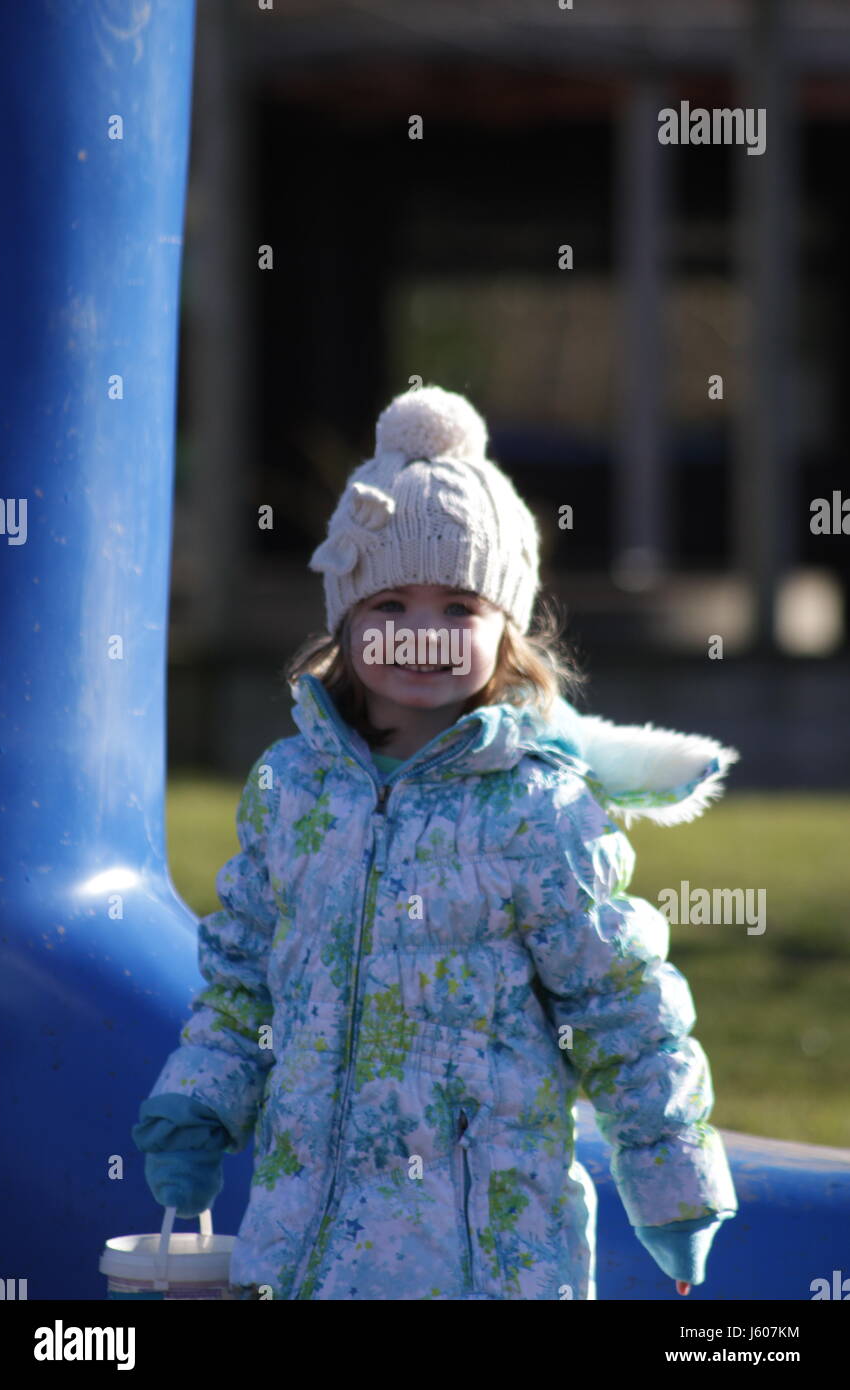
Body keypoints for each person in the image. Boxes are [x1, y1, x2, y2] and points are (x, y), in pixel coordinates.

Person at [132, 384, 739, 1300]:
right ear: (345, 620)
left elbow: (621, 1006)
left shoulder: (538, 809)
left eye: (459, 606)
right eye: (390, 606)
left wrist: (673, 1182)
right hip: (303, 1251)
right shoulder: (293, 790)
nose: (423, 634)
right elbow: (245, 974)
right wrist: (201, 1099)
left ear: (509, 627)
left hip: (484, 1259)